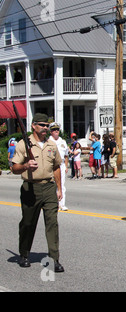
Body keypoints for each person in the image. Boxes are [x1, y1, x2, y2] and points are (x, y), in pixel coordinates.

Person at [11, 113, 64, 272]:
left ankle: (54, 258)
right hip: (30, 188)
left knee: (52, 223)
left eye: (47, 125)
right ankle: (24, 254)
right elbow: (14, 168)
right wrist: (26, 166)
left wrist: (59, 188)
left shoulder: (51, 145)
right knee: (28, 223)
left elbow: (56, 167)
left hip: (48, 187)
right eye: (42, 125)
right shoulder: (23, 144)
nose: (45, 128)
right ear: (33, 126)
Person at [49, 122, 69, 211]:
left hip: (61, 165)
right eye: (54, 130)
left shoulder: (63, 142)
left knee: (62, 185)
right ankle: (54, 204)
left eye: (57, 130)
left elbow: (66, 155)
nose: (56, 131)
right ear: (51, 132)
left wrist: (66, 166)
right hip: (51, 165)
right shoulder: (48, 142)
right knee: (52, 185)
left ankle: (62, 204)